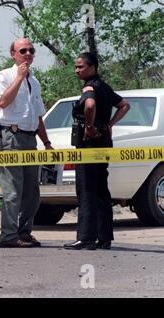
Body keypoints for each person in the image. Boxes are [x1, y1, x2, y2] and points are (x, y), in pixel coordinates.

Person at [64, 52, 130, 250]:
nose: (77, 70)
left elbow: (90, 104)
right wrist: (109, 124)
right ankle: (104, 237)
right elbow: (125, 105)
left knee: (86, 190)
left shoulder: (90, 86)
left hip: (89, 145)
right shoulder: (105, 87)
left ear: (93, 67)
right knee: (101, 189)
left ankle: (85, 237)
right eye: (76, 67)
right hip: (103, 143)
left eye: (81, 67)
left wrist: (90, 127)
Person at [0, 38, 53, 248]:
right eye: (23, 50)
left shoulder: (34, 82)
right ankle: (8, 236)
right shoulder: (4, 76)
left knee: (32, 193)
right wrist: (18, 78)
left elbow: (38, 116)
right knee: (13, 191)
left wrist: (46, 142)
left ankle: (24, 233)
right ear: (13, 53)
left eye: (31, 50)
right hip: (11, 136)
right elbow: (2, 103)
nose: (28, 54)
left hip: (30, 138)